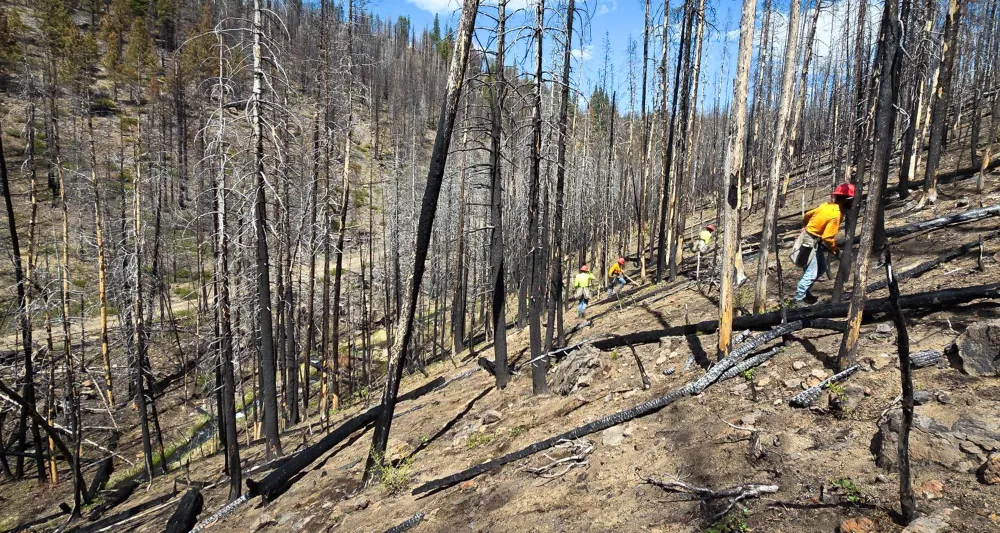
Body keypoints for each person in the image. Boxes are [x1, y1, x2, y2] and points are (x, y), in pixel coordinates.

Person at [794, 183, 855, 304]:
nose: (853, 203)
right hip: (810, 242)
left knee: (821, 267)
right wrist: (836, 250)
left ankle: (804, 292)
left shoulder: (826, 205)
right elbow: (827, 237)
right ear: (846, 200)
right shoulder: (836, 215)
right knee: (811, 273)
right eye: (852, 200)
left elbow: (807, 215)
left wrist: (806, 226)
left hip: (812, 239)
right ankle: (798, 299)